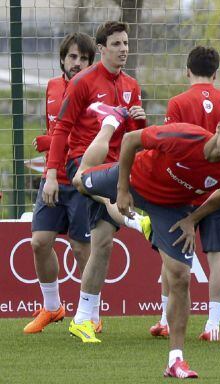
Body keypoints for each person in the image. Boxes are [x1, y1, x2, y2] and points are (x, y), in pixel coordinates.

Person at [80, 107, 220, 377]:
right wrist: (122, 189)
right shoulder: (182, 136)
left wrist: (192, 219)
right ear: (219, 128)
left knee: (181, 277)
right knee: (80, 180)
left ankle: (175, 360)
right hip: (135, 180)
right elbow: (131, 140)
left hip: (170, 209)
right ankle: (108, 122)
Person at [42, 21, 147, 340]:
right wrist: (50, 172)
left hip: (117, 164)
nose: (123, 49)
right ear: (102, 49)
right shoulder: (83, 82)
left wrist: (141, 124)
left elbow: (132, 136)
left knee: (101, 244)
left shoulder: (131, 85)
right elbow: (61, 129)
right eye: (116, 44)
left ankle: (83, 318)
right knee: (106, 208)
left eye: (126, 43)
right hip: (82, 162)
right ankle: (138, 222)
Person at [147, 46, 220, 341]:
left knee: (172, 258)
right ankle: (213, 326)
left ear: (187, 71)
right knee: (217, 257)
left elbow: (168, 145)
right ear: (216, 73)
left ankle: (165, 319)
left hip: (183, 190)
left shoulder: (178, 102)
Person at [24, 32, 96, 334]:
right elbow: (58, 130)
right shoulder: (52, 87)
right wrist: (49, 142)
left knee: (81, 249)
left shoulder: (95, 90)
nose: (76, 63)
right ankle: (52, 307)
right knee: (39, 242)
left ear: (91, 62)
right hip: (53, 177)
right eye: (72, 57)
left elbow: (93, 138)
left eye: (83, 58)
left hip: (81, 178)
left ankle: (91, 313)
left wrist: (49, 141)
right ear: (63, 59)